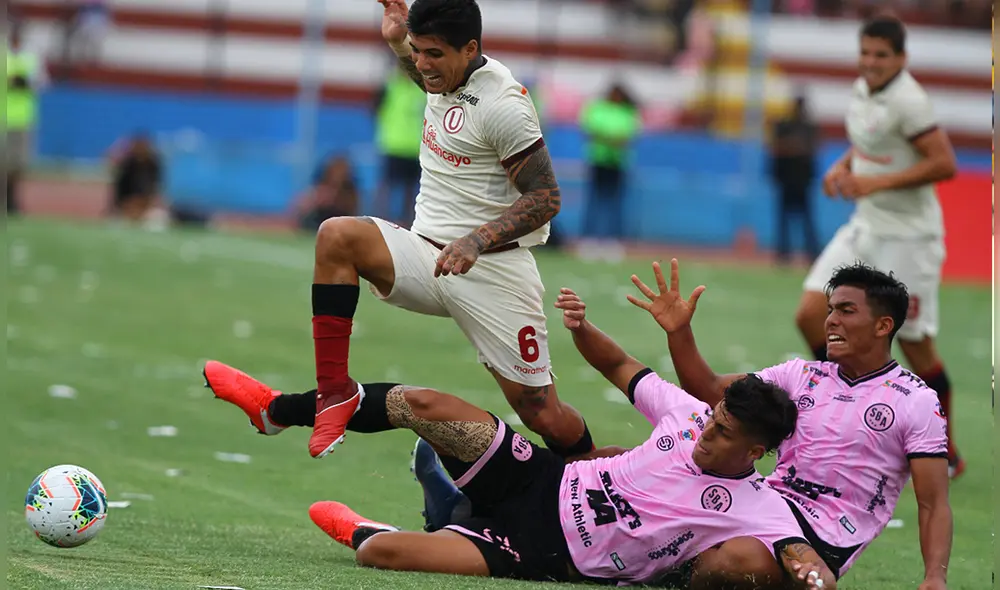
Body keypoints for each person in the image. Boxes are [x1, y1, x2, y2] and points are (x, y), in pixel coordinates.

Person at [204, 292, 835, 589]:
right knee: (423, 404)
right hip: (544, 478)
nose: (705, 434)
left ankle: (389, 524)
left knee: (383, 556)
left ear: (754, 452)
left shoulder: (761, 508)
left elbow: (803, 560)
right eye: (713, 418)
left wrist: (813, 578)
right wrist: (582, 327)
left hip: (543, 552)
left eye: (722, 433)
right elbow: (622, 367)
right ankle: (277, 410)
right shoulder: (689, 415)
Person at [205, 0, 593, 462]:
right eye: (418, 50)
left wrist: (476, 240)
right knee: (337, 235)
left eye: (433, 54)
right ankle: (333, 393)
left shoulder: (504, 106)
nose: (422, 64)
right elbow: (433, 84)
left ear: (470, 49)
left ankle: (595, 470)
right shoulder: (447, 76)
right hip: (425, 253)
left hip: (493, 268)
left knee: (542, 414)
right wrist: (397, 44)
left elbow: (546, 197)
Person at [628, 258, 950, 588]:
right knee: (637, 464)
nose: (831, 320)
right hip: (762, 505)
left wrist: (935, 577)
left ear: (882, 326)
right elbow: (712, 391)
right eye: (830, 310)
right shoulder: (800, 375)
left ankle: (663, 570)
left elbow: (933, 502)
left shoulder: (916, 400)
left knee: (742, 560)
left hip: (822, 537)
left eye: (846, 311)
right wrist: (679, 332)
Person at [793, 16, 962, 478]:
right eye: (865, 52)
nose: (871, 62)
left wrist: (875, 183)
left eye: (881, 55)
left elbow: (944, 164)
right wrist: (843, 165)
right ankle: (842, 409)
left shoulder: (910, 100)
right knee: (810, 314)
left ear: (901, 58)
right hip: (866, 225)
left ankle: (945, 451)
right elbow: (869, 142)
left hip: (909, 237)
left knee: (914, 343)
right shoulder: (863, 89)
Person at [579, 82, 642, 241]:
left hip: (618, 162)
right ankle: (589, 236)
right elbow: (591, 128)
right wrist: (611, 138)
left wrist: (609, 137)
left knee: (615, 202)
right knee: (594, 200)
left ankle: (613, 237)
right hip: (599, 159)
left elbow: (629, 133)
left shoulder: (627, 111)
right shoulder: (599, 108)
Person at [769, 92, 820, 265]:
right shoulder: (784, 126)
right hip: (786, 179)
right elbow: (776, 147)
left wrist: (791, 146)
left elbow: (811, 148)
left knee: (806, 219)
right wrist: (794, 146)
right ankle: (784, 253)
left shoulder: (808, 127)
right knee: (784, 219)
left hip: (802, 180)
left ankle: (812, 253)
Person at [293, 154, 359, 232]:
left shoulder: (350, 193)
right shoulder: (318, 189)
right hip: (315, 224)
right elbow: (299, 208)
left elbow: (354, 212)